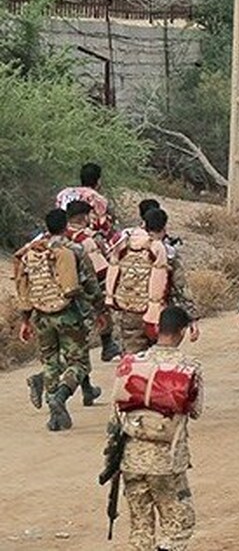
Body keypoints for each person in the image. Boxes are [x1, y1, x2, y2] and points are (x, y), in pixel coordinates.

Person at [108, 306, 202, 551]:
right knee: (179, 523)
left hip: (131, 459)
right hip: (166, 460)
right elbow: (195, 410)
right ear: (182, 332)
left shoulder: (131, 362)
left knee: (140, 527)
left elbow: (116, 414)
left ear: (157, 329)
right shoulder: (189, 367)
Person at [15, 209, 102, 431]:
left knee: (50, 361)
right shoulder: (73, 250)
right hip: (69, 313)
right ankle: (60, 397)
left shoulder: (33, 252)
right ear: (65, 226)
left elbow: (24, 287)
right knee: (79, 363)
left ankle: (55, 416)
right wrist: (100, 309)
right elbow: (90, 284)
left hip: (41, 316)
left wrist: (25, 320)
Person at [56, 163, 121, 360]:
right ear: (98, 181)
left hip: (59, 241)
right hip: (86, 244)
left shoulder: (63, 194)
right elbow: (104, 227)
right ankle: (107, 342)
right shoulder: (97, 199)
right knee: (99, 292)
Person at [105, 207, 173, 356]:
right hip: (149, 309)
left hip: (125, 305)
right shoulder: (158, 248)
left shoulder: (123, 242)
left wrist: (111, 299)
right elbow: (160, 283)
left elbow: (112, 270)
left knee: (131, 354)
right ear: (163, 227)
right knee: (154, 355)